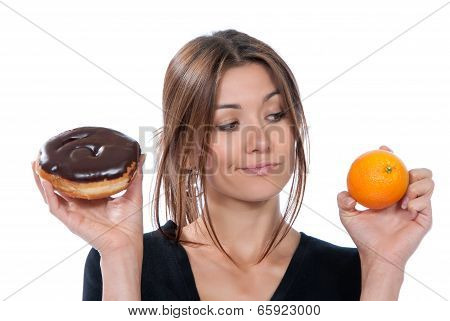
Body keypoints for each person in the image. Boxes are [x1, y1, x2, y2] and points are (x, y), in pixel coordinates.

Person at [32, 29, 434, 301]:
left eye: (276, 115)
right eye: (229, 124)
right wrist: (120, 257)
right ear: (187, 148)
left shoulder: (352, 273)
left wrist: (385, 266)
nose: (262, 141)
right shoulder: (129, 262)